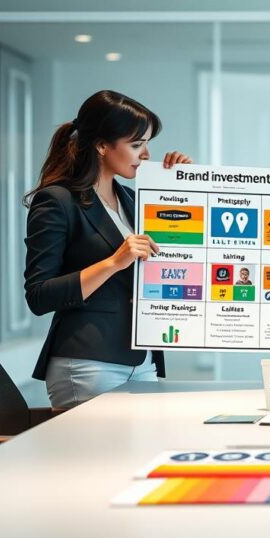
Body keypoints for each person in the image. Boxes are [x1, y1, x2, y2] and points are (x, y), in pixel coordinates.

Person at [23, 90, 193, 408]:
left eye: (146, 143)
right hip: (88, 363)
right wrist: (114, 262)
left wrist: (185, 185)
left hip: (142, 361)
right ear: (102, 145)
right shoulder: (57, 201)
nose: (145, 154)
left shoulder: (130, 199)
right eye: (136, 143)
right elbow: (39, 295)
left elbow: (177, 251)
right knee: (96, 457)